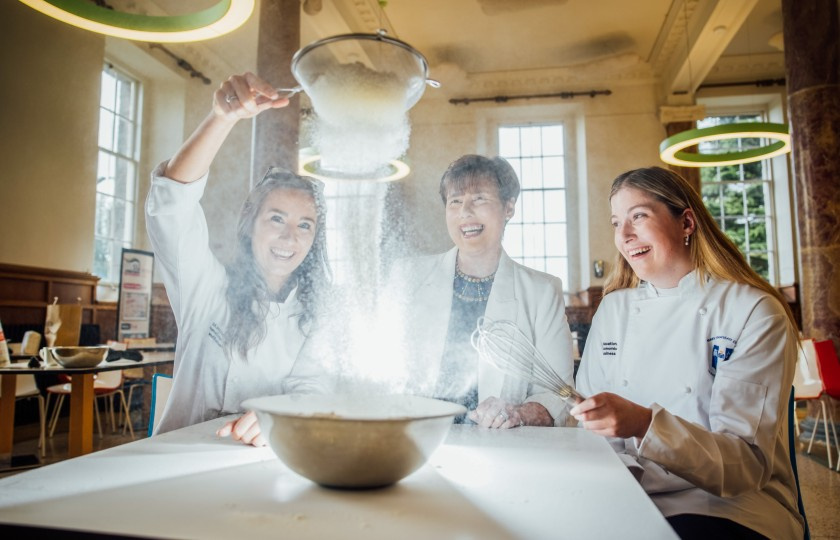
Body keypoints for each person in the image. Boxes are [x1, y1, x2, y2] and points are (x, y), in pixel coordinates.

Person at [572, 166, 804, 539]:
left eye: (639, 216)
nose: (625, 235)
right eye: (616, 223)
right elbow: (594, 431)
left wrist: (646, 424)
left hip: (729, 506)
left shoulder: (753, 311)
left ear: (687, 223)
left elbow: (745, 465)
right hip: (629, 493)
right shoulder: (614, 310)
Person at [145, 73, 331, 446]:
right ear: (250, 225)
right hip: (179, 458)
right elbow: (172, 206)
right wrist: (222, 116)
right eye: (276, 218)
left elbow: (313, 389)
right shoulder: (206, 286)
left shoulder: (316, 313)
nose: (289, 237)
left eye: (305, 225)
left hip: (261, 464)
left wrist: (280, 416)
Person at [386, 154, 575, 427]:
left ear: (508, 207)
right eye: (455, 201)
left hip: (499, 449)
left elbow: (559, 394)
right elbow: (385, 372)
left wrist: (518, 413)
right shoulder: (407, 277)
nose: (465, 212)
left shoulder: (541, 291)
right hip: (417, 442)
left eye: (479, 199)